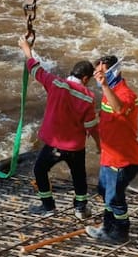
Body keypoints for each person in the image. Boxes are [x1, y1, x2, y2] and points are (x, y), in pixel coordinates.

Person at [18, 36, 99, 219]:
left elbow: (35, 68)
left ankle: (48, 206)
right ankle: (80, 209)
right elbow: (91, 126)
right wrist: (100, 145)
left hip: (54, 144)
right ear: (86, 78)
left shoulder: (55, 83)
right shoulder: (88, 97)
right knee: (79, 176)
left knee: (40, 170)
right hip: (76, 147)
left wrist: (25, 48)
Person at [86, 54, 138, 242]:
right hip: (108, 156)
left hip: (122, 159)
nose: (97, 77)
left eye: (100, 73)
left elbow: (119, 109)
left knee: (115, 200)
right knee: (104, 192)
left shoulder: (126, 94)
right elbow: (108, 113)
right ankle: (107, 227)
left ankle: (121, 233)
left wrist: (104, 86)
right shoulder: (110, 91)